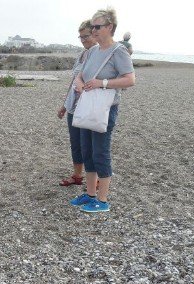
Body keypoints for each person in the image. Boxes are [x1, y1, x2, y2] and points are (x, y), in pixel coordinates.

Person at [69, 7, 135, 213]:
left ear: (110, 27)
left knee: (100, 152)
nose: (94, 30)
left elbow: (130, 79)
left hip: (104, 108)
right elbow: (80, 74)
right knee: (87, 151)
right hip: (87, 104)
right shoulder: (92, 51)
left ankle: (103, 200)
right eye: (92, 26)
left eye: (97, 26)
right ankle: (90, 194)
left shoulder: (119, 51)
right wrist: (79, 83)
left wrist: (102, 83)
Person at [57, 20, 97, 187]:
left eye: (85, 36)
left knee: (89, 145)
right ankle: (77, 175)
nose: (82, 40)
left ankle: (94, 181)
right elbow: (74, 81)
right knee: (76, 143)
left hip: (88, 106)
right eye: (80, 37)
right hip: (74, 105)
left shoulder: (98, 54)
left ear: (95, 33)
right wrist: (65, 105)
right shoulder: (82, 54)